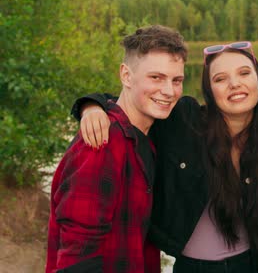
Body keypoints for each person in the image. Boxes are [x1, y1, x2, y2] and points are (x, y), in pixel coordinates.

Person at [73, 42, 258, 272]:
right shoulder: (185, 121)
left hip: (251, 265)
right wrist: (92, 107)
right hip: (192, 267)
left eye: (244, 73)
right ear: (209, 90)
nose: (234, 84)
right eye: (220, 79)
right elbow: (130, 102)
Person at [46, 25, 187, 273]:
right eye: (156, 77)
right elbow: (77, 256)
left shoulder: (147, 136)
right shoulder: (101, 143)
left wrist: (90, 104)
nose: (169, 91)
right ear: (126, 75)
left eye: (176, 80)